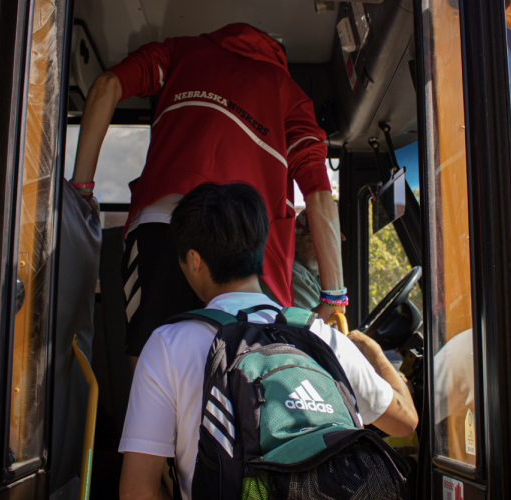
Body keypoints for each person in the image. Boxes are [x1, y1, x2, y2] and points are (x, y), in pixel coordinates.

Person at [118, 183, 418, 500]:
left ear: (193, 259)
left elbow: (138, 491)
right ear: (260, 250)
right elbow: (405, 422)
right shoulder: (322, 335)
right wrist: (371, 350)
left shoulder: (168, 344)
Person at [69, 23, 345, 364]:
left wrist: (80, 193)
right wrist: (334, 296)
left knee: (151, 359)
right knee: (240, 373)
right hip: (242, 243)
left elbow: (106, 85)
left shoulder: (179, 51)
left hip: (163, 222)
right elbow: (318, 194)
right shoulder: (287, 93)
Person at [291, 209, 322, 310]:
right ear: (295, 242)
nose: (322, 247)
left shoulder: (317, 276)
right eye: (312, 240)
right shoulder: (296, 273)